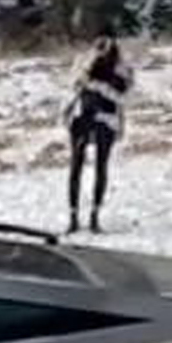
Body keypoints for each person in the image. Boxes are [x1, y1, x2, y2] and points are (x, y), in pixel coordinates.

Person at [64, 34, 134, 235]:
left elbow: (124, 96)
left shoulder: (122, 68)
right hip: (84, 115)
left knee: (98, 166)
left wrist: (99, 85)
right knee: (78, 165)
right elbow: (74, 86)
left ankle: (92, 217)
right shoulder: (84, 62)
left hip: (104, 117)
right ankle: (75, 217)